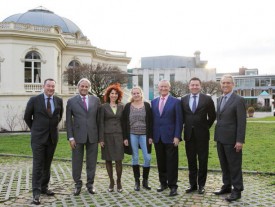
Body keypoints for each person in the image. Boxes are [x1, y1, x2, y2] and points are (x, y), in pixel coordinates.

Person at [24, 78, 63, 205]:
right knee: (38, 165)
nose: (51, 88)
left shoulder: (58, 100)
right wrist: (35, 129)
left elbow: (59, 116)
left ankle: (44, 187)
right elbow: (27, 117)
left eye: (53, 86)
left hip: (52, 138)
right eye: (48, 86)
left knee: (47, 164)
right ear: (43, 86)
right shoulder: (34, 100)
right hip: (38, 139)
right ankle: (36, 192)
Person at [213, 74, 246, 202]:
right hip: (220, 139)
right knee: (224, 165)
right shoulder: (220, 99)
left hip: (232, 140)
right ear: (220, 85)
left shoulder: (238, 100)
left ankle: (237, 190)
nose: (225, 85)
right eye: (223, 83)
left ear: (233, 84)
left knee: (234, 165)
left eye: (228, 83)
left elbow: (242, 122)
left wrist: (239, 140)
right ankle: (226, 186)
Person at [181, 77, 216, 194]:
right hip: (189, 136)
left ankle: (201, 185)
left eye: (197, 85)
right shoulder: (183, 99)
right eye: (192, 85)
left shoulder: (207, 99)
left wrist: (205, 127)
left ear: (200, 86)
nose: (194, 87)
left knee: (202, 161)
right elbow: (182, 117)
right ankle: (193, 185)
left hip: (202, 136)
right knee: (191, 161)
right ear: (189, 86)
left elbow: (212, 116)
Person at [66, 78, 101, 196]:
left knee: (92, 162)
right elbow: (69, 122)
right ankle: (77, 184)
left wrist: (100, 138)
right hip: (77, 137)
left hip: (93, 136)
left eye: (86, 86)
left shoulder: (96, 100)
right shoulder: (71, 101)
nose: (84, 88)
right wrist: (70, 138)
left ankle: (90, 184)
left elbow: (99, 120)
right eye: (82, 86)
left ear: (89, 88)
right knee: (77, 162)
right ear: (78, 87)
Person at [151, 80, 183, 196]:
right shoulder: (153, 102)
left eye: (165, 86)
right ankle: (163, 183)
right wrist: (151, 136)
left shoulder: (175, 102)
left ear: (169, 88)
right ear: (158, 88)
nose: (163, 88)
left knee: (172, 163)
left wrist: (177, 136)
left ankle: (173, 186)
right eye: (161, 87)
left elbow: (179, 121)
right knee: (161, 162)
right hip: (157, 137)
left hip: (171, 137)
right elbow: (152, 120)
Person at [123, 86, 153, 191]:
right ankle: (137, 182)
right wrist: (125, 138)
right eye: (134, 93)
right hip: (132, 134)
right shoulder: (127, 106)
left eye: (138, 93)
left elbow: (151, 122)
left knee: (148, 158)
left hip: (145, 135)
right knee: (135, 157)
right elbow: (124, 122)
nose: (136, 95)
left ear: (141, 94)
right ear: (132, 95)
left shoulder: (147, 105)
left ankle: (145, 180)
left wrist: (150, 136)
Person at [99, 84, 124, 193]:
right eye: (112, 93)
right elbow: (100, 123)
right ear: (108, 95)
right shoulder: (103, 107)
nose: (114, 95)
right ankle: (111, 182)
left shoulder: (122, 106)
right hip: (107, 136)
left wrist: (125, 137)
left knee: (119, 160)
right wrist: (101, 139)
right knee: (108, 159)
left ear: (118, 95)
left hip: (119, 135)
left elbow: (125, 123)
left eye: (116, 93)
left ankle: (119, 181)